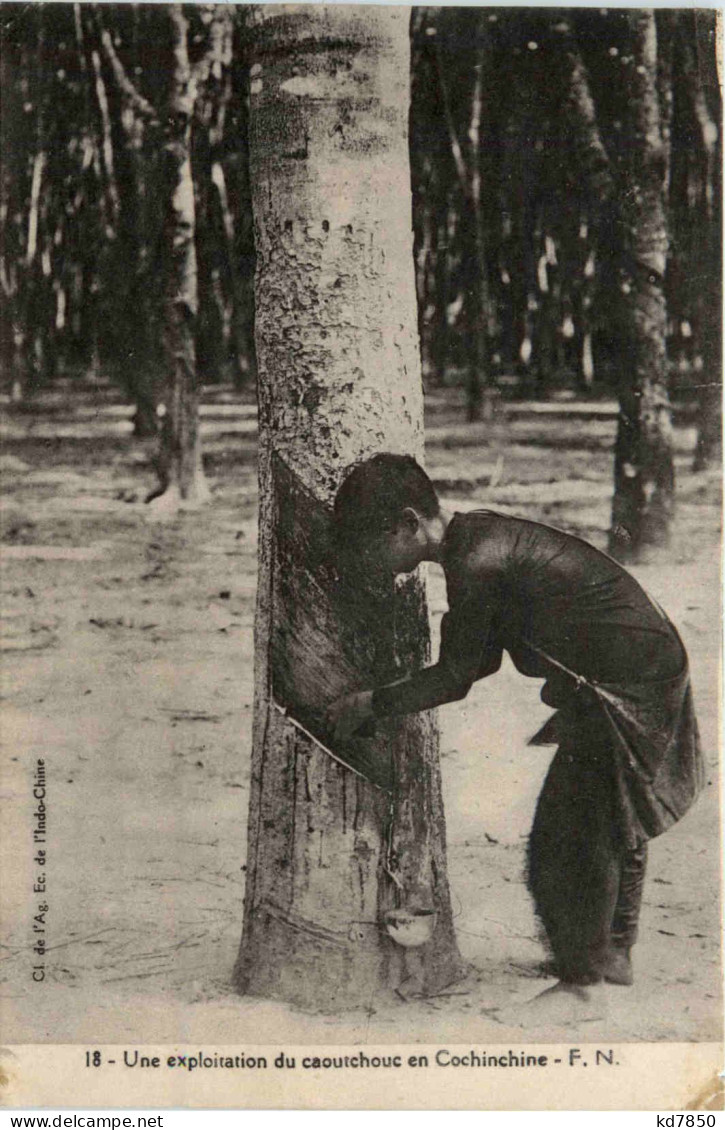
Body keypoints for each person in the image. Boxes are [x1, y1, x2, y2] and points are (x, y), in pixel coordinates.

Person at [326, 453, 704, 1021]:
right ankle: (613, 956)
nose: (369, 563)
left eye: (371, 546)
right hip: (643, 663)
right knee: (611, 819)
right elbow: (477, 664)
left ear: (409, 523)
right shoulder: (476, 541)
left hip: (625, 684)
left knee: (562, 845)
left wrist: (370, 704)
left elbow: (457, 678)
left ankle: (582, 989)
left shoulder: (476, 561)